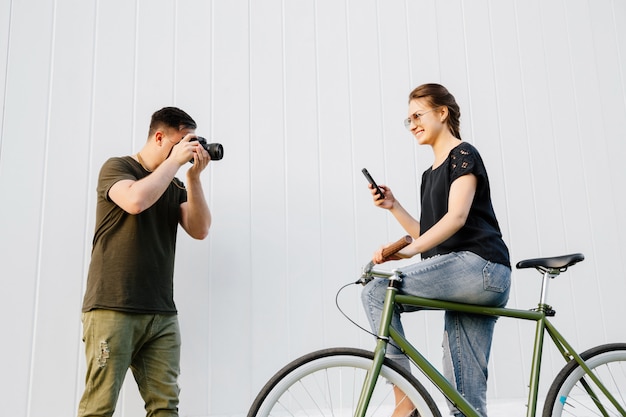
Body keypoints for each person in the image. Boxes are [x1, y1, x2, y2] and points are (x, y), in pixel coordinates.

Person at [361, 84, 511, 417]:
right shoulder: (429, 175)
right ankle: (413, 401)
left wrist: (408, 251)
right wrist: (393, 206)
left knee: (376, 292)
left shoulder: (463, 154)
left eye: (418, 115)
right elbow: (433, 236)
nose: (412, 124)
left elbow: (456, 218)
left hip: (481, 269)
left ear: (442, 113)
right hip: (465, 276)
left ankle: (405, 401)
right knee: (464, 404)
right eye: (408, 119)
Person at [78, 107, 212, 417]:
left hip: (160, 313)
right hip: (114, 307)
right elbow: (135, 201)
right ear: (159, 136)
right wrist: (175, 164)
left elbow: (200, 229)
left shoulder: (175, 185)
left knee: (165, 407)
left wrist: (192, 178)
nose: (184, 151)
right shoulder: (117, 168)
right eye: (180, 143)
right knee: (98, 409)